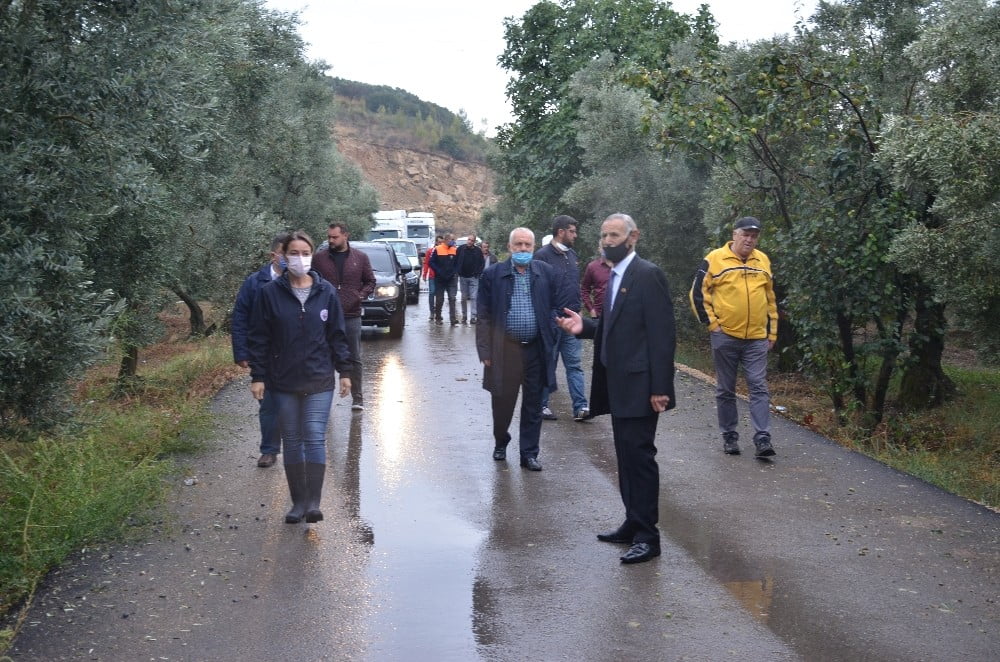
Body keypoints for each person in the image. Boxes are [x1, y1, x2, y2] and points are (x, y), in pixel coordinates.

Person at [556, 213, 676, 565]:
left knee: (640, 459)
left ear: (633, 237)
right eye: (604, 235)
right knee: (625, 458)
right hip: (617, 384)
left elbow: (662, 335)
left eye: (615, 235)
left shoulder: (648, 275)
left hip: (642, 387)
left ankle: (648, 537)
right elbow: (614, 327)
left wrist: (660, 388)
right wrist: (586, 327)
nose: (608, 240)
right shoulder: (614, 276)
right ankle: (632, 522)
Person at [248, 230, 352, 524]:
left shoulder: (326, 291)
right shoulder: (269, 293)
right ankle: (298, 503)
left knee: (314, 436)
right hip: (283, 381)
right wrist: (259, 376)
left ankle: (314, 504)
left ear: (312, 256)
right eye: (294, 253)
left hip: (319, 379)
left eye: (305, 253)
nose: (300, 259)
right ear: (282, 256)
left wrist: (345, 371)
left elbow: (337, 335)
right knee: (292, 440)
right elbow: (259, 338)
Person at [689, 216, 777, 458]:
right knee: (726, 389)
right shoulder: (714, 259)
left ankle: (763, 439)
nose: (749, 239)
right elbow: (697, 293)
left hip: (757, 338)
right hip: (726, 336)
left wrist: (773, 331)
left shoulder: (763, 260)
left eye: (754, 235)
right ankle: (730, 437)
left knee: (758, 387)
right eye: (745, 234)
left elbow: (770, 298)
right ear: (735, 234)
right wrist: (713, 325)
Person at [476, 227, 563, 471]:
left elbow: (555, 306)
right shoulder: (494, 275)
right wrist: (485, 351)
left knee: (534, 404)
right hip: (504, 350)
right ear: (510, 247)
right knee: (502, 402)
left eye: (528, 245)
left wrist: (552, 332)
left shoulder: (545, 273)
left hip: (535, 349)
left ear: (533, 248)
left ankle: (529, 454)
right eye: (519, 245)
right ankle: (501, 441)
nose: (523, 249)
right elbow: (483, 315)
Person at [231, 232, 289, 468]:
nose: (291, 259)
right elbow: (240, 318)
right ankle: (269, 450)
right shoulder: (254, 283)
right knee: (268, 405)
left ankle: (299, 449)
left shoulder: (304, 281)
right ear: (273, 255)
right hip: (263, 353)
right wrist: (241, 352)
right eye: (287, 254)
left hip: (294, 352)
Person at [313, 222, 376, 411]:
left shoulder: (360, 258)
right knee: (323, 357)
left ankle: (358, 398)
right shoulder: (319, 259)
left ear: (345, 236)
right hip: (325, 317)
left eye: (335, 237)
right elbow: (311, 280)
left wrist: (360, 296)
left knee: (354, 357)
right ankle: (323, 398)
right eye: (329, 237)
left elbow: (370, 281)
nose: (331, 240)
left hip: (351, 315)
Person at [534, 215, 589, 422]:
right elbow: (538, 289)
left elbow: (575, 285)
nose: (575, 235)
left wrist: (579, 310)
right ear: (561, 232)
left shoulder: (573, 255)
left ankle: (581, 407)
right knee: (548, 363)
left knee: (574, 364)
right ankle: (541, 405)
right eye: (572, 231)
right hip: (552, 320)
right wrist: (548, 316)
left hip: (572, 320)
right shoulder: (542, 256)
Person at [429, 233, 459, 325]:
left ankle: (453, 319)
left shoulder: (454, 250)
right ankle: (438, 318)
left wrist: (453, 272)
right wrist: (439, 271)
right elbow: (431, 262)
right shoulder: (437, 249)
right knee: (439, 299)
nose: (452, 241)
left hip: (451, 279)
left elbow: (457, 263)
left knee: (452, 298)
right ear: (446, 240)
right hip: (440, 279)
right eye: (451, 240)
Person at [455, 233, 485, 324]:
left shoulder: (478, 251)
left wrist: (478, 273)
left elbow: (481, 263)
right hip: (463, 276)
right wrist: (458, 271)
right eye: (469, 239)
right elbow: (456, 261)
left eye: (472, 240)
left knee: (473, 297)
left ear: (474, 242)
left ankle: (473, 317)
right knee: (463, 297)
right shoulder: (460, 249)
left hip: (474, 277)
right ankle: (464, 316)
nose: (470, 241)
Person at [580, 250, 613, 319]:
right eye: (603, 246)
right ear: (599, 249)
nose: (606, 249)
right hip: (599, 316)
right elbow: (584, 289)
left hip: (621, 316)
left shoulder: (622, 265)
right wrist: (591, 309)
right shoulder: (592, 267)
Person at [421, 235, 443, 321]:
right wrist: (424, 274)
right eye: (439, 242)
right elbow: (426, 263)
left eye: (442, 242)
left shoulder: (444, 251)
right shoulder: (430, 251)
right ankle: (432, 312)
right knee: (432, 292)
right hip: (432, 276)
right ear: (436, 242)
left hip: (441, 277)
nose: (440, 244)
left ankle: (438, 312)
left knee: (439, 295)